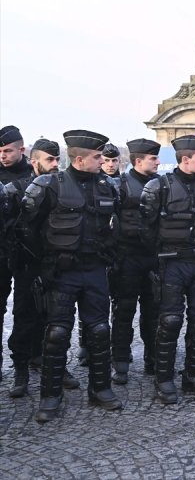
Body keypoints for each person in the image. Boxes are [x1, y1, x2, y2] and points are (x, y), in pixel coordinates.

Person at [19, 129, 123, 422]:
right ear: (79, 159)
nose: (103, 160)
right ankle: (50, 395)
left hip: (95, 270)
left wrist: (108, 254)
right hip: (61, 272)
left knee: (99, 330)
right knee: (57, 333)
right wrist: (45, 263)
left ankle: (100, 389)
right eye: (97, 156)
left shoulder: (108, 187)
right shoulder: (48, 186)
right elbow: (26, 229)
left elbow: (116, 225)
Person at [140, 134, 195, 404]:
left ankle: (193, 375)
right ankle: (163, 378)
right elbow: (146, 229)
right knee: (170, 321)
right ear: (185, 159)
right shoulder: (158, 186)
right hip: (172, 263)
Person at [5, 139, 81, 397]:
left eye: (57, 159)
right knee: (25, 317)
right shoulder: (17, 189)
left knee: (57, 318)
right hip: (28, 265)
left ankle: (54, 365)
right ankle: (21, 370)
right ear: (34, 161)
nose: (55, 164)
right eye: (49, 159)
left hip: (57, 264)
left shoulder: (64, 187)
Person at [108, 139, 162, 385]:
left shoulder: (162, 184)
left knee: (154, 312)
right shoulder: (119, 185)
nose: (158, 162)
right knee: (123, 312)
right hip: (127, 257)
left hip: (153, 258)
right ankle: (120, 361)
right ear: (139, 161)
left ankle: (153, 358)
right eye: (153, 158)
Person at [0, 125, 34, 380]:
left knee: (26, 310)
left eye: (7, 151)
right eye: (0, 151)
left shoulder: (35, 175)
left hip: (26, 253)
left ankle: (24, 362)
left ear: (21, 149)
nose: (3, 156)